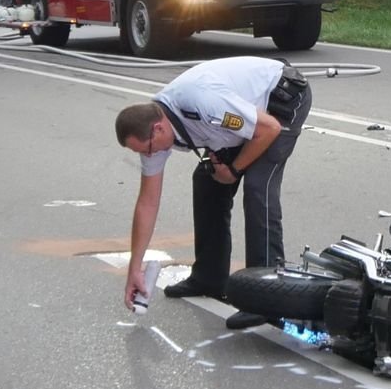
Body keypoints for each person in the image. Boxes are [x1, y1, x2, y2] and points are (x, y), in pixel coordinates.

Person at [113, 56, 312, 328]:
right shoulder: (153, 130)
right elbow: (147, 203)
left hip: (280, 99)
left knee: (257, 187)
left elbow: (269, 129)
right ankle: (209, 278)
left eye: (147, 149)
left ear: (158, 128)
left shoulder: (204, 104)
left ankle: (265, 296)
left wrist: (234, 169)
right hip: (245, 117)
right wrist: (134, 268)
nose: (148, 156)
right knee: (207, 182)